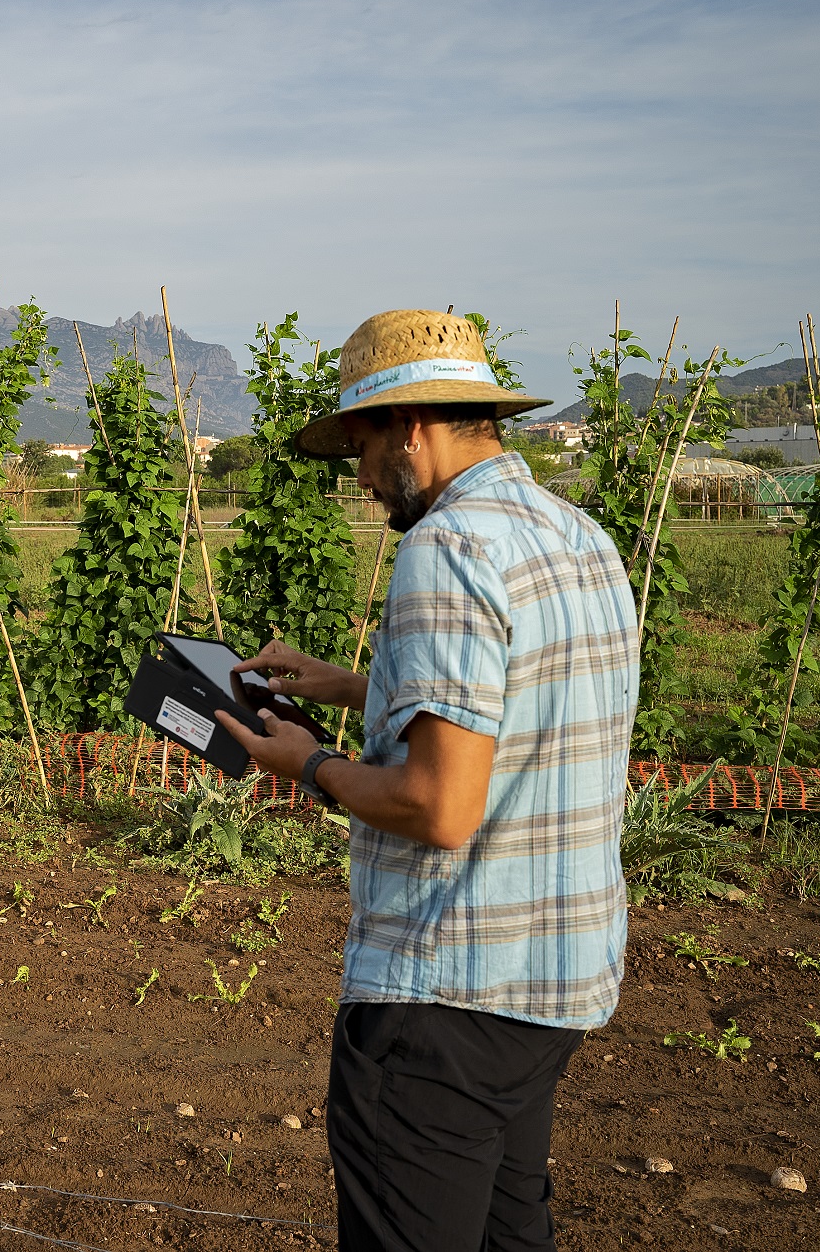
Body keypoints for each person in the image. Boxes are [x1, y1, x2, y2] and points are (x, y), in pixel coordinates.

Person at [212, 309, 639, 1252]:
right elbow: (525, 708)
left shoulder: (447, 548)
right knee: (506, 1235)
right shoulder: (579, 540)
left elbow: (440, 807)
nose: (360, 480)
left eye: (360, 447)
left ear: (410, 427)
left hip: (445, 991)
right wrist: (354, 686)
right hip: (552, 981)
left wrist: (308, 762)